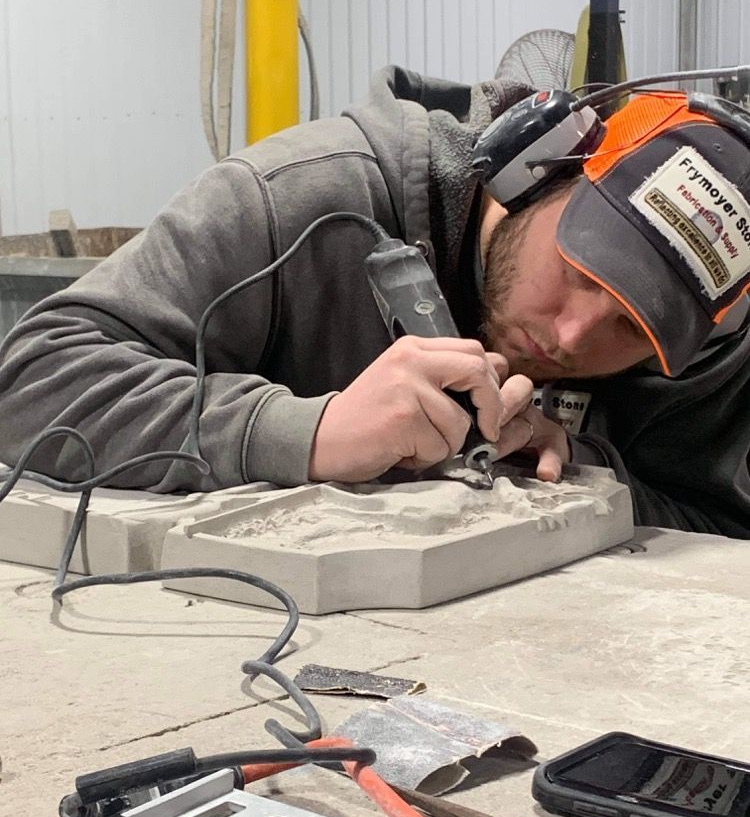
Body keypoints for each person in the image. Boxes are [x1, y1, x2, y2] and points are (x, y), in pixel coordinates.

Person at [0, 66, 748, 538]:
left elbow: (718, 528)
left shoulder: (704, 331)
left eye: (631, 324)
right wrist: (308, 431)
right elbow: (32, 383)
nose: (574, 335)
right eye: (582, 269)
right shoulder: (304, 195)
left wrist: (585, 471)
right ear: (537, 168)